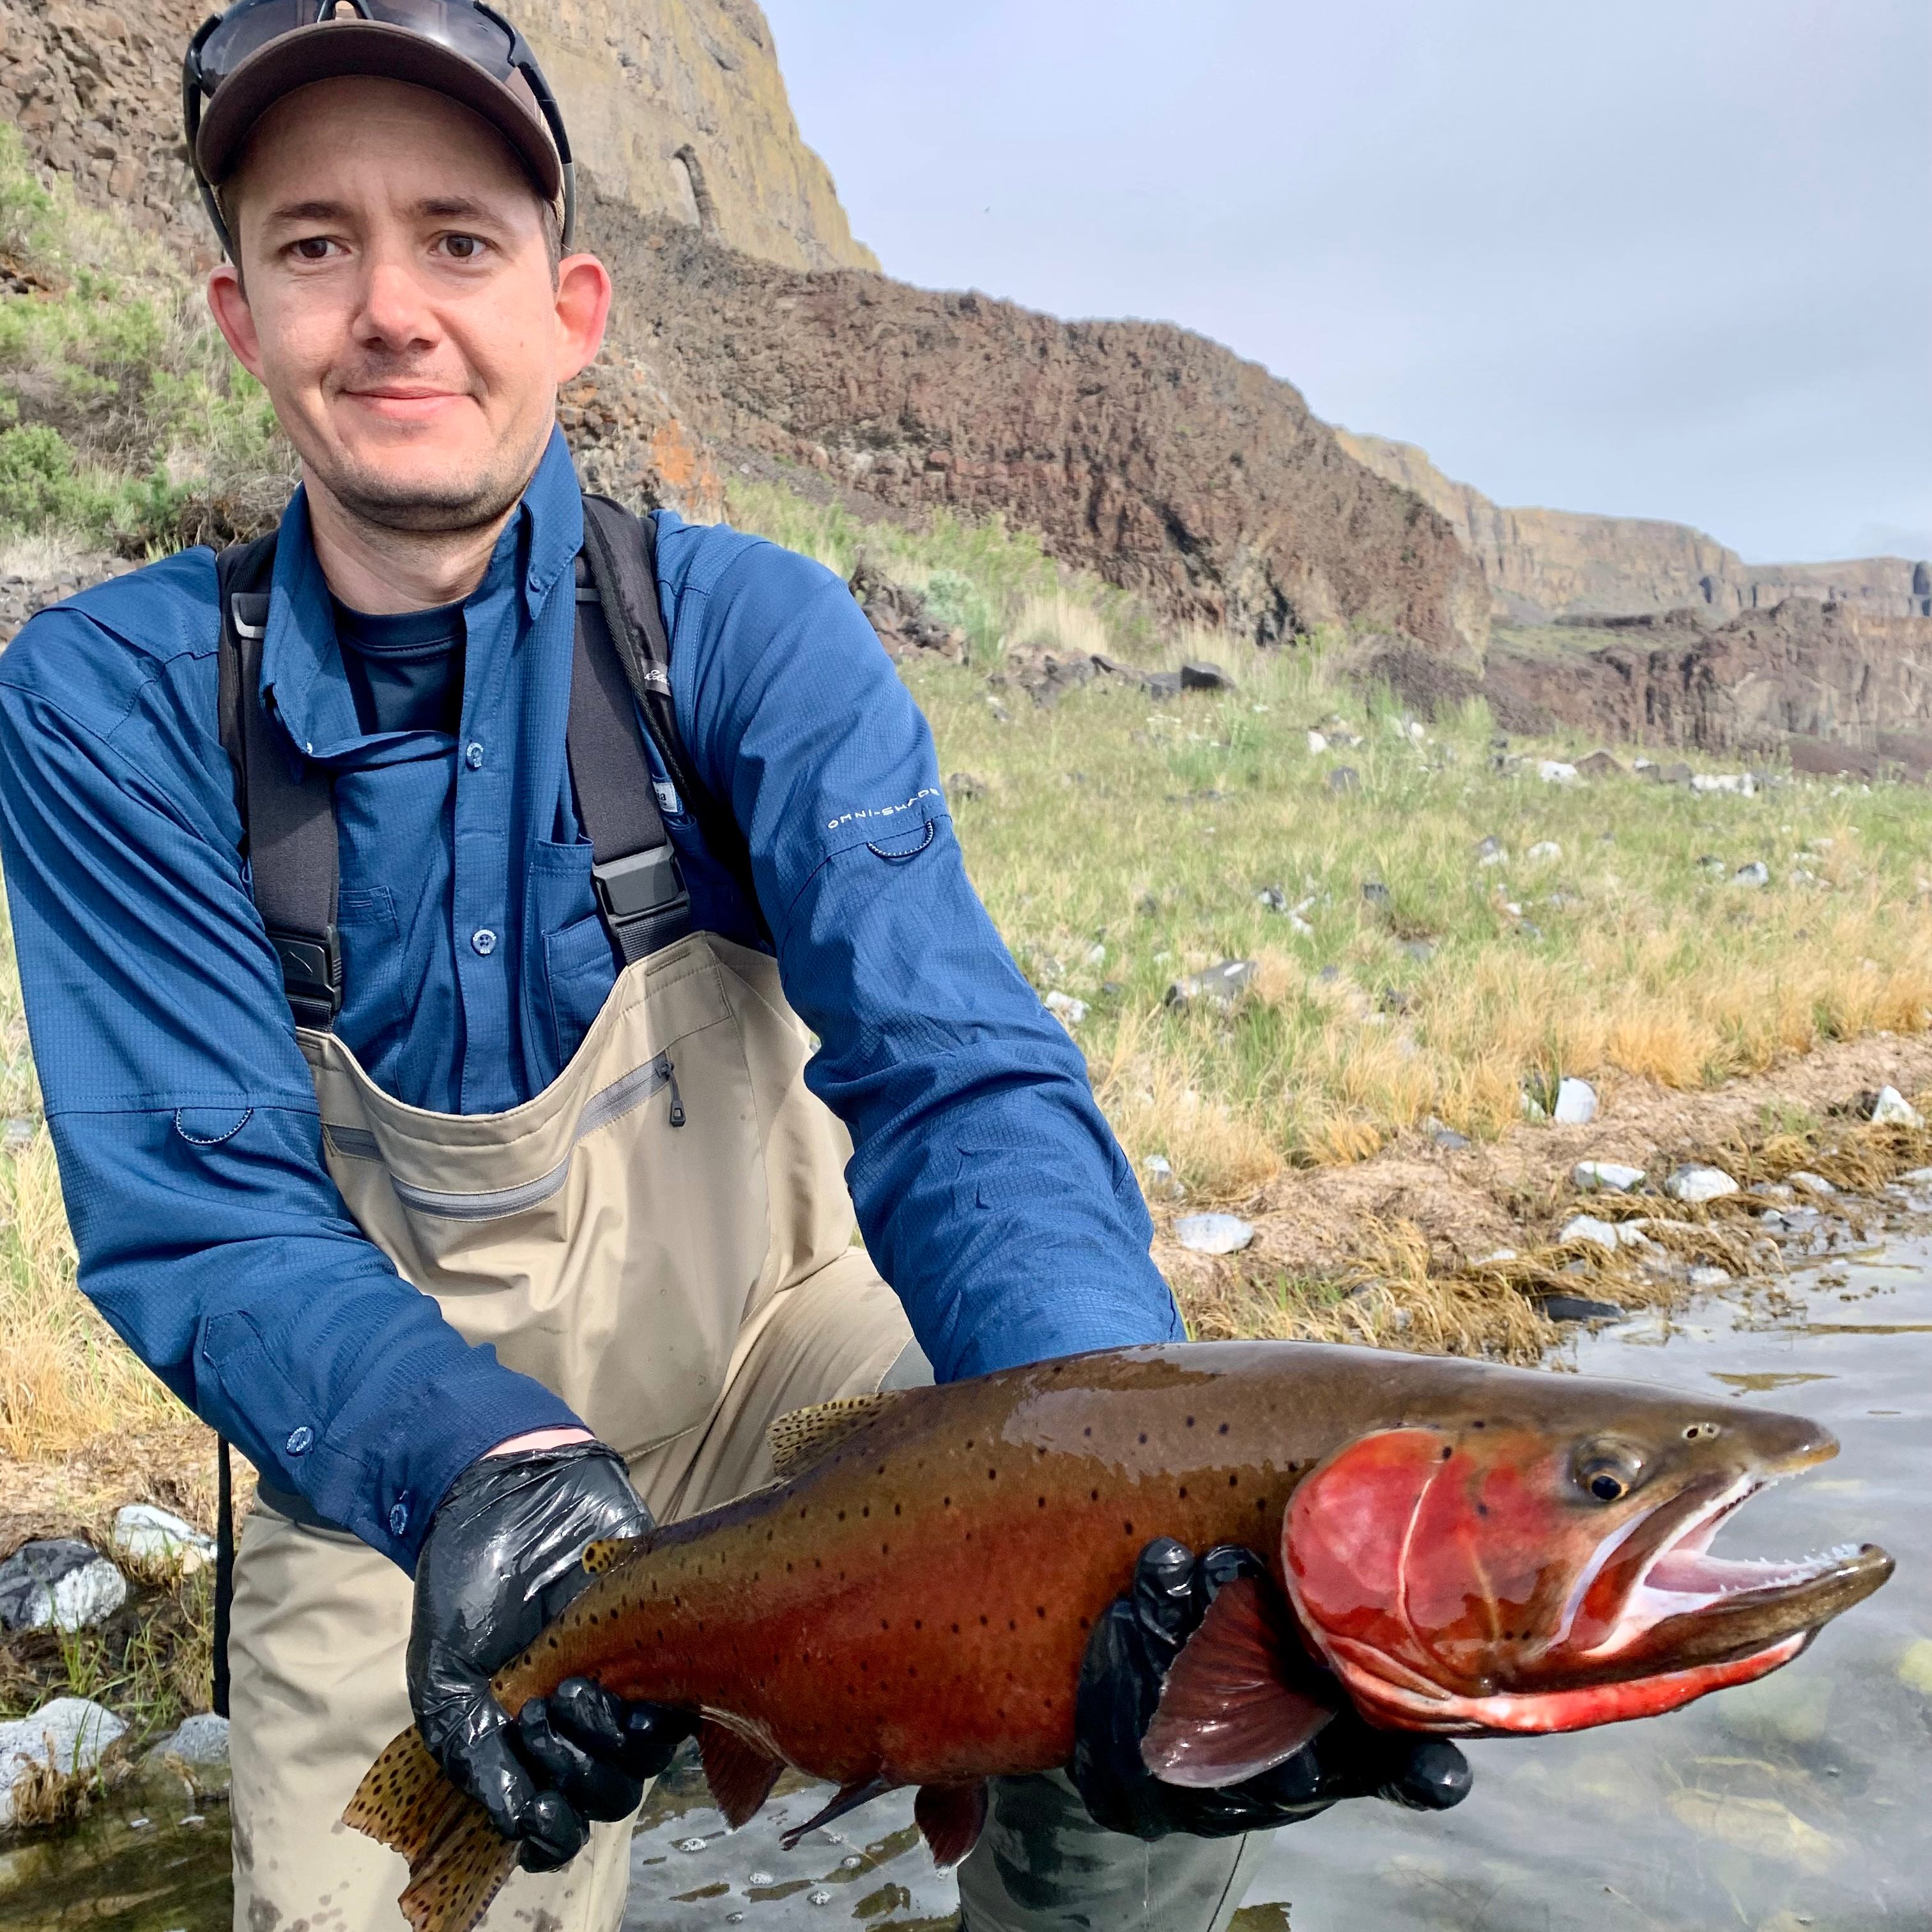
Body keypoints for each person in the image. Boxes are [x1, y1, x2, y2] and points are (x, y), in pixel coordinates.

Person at [0, 4, 1470, 1928]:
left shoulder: (745, 635)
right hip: (398, 1459)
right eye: (313, 243)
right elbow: (208, 1213)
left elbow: (954, 1076)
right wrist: (479, 1479)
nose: (390, 309)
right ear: (235, 312)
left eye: (457, 238)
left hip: (792, 1369)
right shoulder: (113, 707)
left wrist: (1099, 1476)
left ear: (571, 304)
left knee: (1170, 1666)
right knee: (392, 1891)